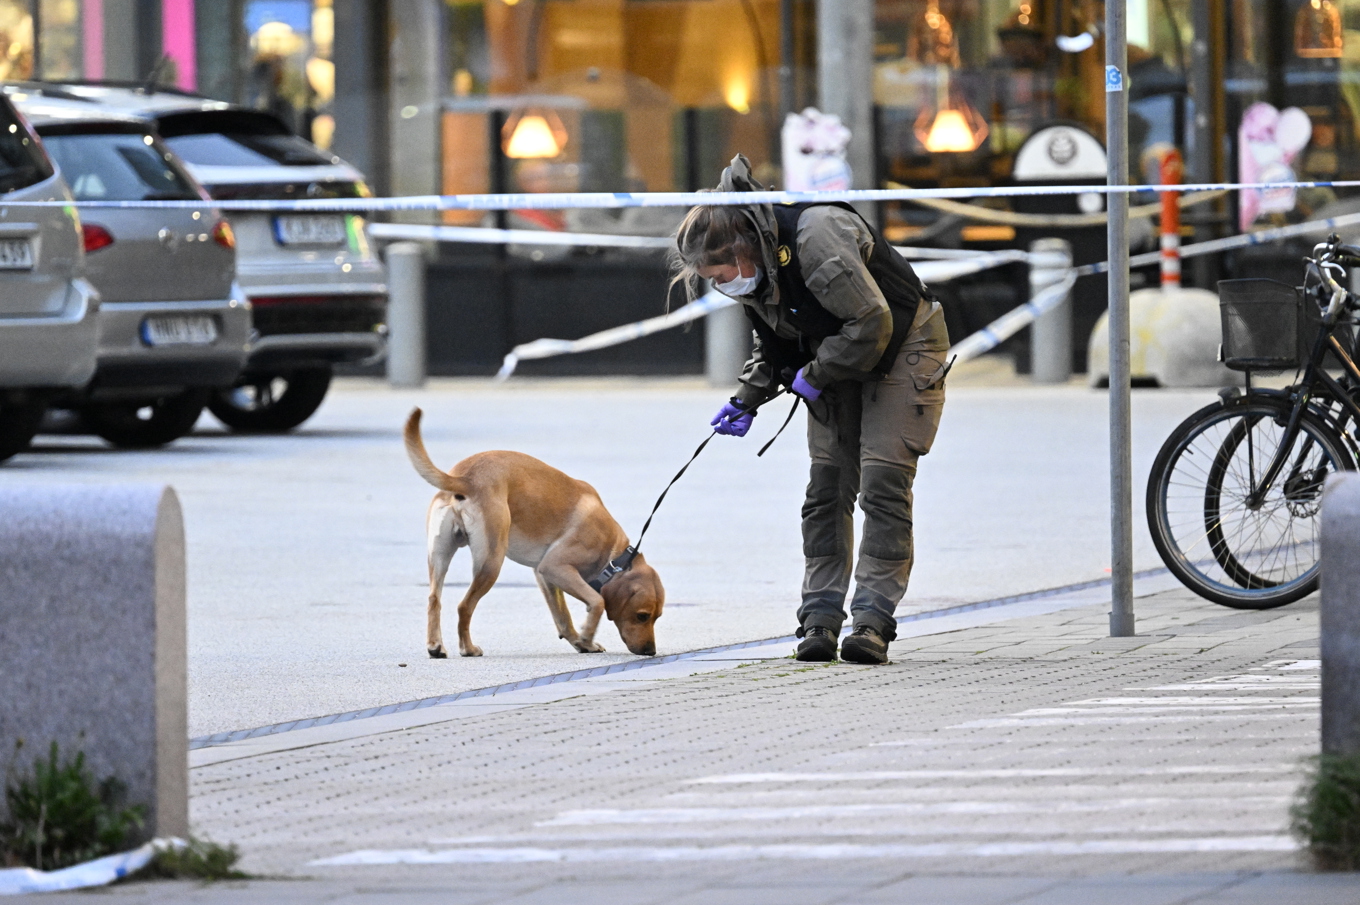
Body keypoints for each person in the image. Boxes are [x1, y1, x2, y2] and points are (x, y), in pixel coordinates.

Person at [671, 155, 949, 664]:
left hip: (902, 343)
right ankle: (819, 618)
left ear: (742, 247)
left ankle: (871, 622)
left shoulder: (816, 237)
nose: (720, 284)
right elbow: (776, 340)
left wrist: (816, 375)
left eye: (720, 272)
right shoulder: (754, 270)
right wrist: (747, 398)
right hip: (835, 349)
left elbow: (871, 323)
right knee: (825, 489)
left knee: (883, 481)